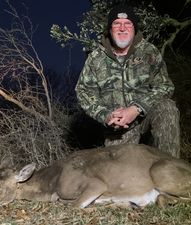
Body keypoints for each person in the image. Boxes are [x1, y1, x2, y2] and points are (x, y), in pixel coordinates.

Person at [75, 4, 180, 158]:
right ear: (110, 30)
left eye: (128, 24)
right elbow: (83, 91)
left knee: (167, 108)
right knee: (119, 174)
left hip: (145, 115)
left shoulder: (149, 52)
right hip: (118, 128)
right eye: (117, 24)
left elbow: (165, 86)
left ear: (134, 28)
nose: (122, 28)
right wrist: (106, 115)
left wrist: (136, 108)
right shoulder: (95, 58)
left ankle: (170, 172)